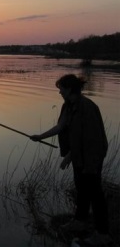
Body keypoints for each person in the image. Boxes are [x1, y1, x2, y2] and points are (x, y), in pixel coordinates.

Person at [30, 74, 112, 246]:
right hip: (79, 156)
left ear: (69, 89)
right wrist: (40, 136)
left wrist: (85, 163)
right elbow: (61, 127)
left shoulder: (87, 108)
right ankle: (80, 221)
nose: (59, 92)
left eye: (61, 88)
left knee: (95, 194)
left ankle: (103, 234)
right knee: (81, 190)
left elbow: (91, 140)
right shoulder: (68, 106)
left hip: (92, 156)